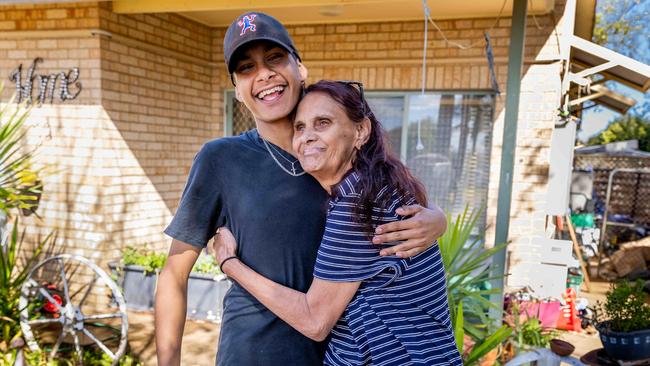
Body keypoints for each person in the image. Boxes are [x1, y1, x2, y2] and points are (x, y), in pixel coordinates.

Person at [155, 12, 448, 366]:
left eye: (275, 58)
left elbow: (396, 197)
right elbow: (174, 273)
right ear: (237, 90)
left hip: (338, 353)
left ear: (300, 68)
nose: (263, 74)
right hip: (252, 354)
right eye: (247, 67)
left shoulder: (338, 155)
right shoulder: (221, 159)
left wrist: (437, 220)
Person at [213, 80, 462, 366]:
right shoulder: (381, 185)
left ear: (360, 131)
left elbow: (315, 321)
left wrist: (228, 262)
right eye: (300, 127)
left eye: (323, 123)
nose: (306, 136)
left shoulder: (359, 202)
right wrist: (439, 217)